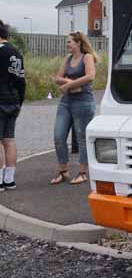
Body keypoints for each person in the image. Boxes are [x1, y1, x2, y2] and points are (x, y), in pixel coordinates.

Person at [50, 32, 97, 185]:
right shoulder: (68, 58)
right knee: (58, 136)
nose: (67, 44)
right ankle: (63, 171)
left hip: (83, 102)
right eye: (67, 42)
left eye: (69, 42)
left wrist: (70, 85)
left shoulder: (87, 57)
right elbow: (57, 78)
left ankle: (82, 173)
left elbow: (90, 76)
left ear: (78, 43)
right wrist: (69, 82)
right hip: (66, 102)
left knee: (82, 138)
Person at [0, 20, 25, 192]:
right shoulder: (17, 53)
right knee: (9, 140)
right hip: (13, 101)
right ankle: (9, 180)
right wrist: (19, 102)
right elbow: (21, 82)